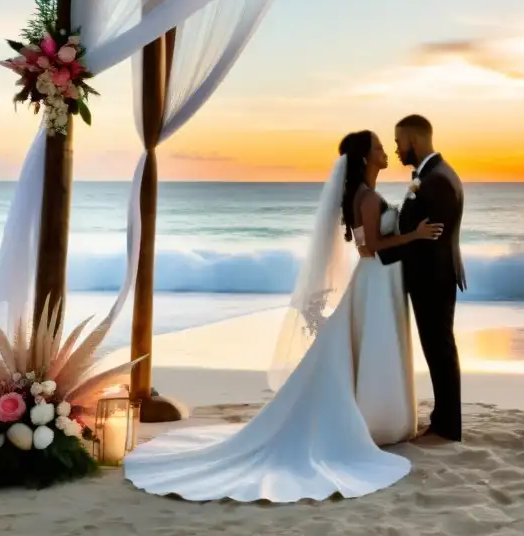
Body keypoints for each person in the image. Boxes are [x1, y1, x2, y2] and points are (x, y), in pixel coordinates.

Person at [123, 130, 443, 502]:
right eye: (376, 147)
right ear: (364, 158)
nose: (384, 150)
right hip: (374, 279)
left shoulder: (360, 195)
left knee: (369, 346)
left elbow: (359, 244)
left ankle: (378, 416)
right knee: (374, 346)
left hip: (375, 282)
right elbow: (369, 248)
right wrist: (415, 235)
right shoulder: (368, 197)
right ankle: (377, 420)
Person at [376, 114, 465, 443]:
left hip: (433, 277)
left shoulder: (436, 180)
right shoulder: (433, 174)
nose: (397, 149)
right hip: (434, 274)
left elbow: (431, 239)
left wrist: (381, 254)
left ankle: (447, 427)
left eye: (399, 142)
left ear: (413, 140)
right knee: (438, 348)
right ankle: (443, 421)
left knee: (439, 349)